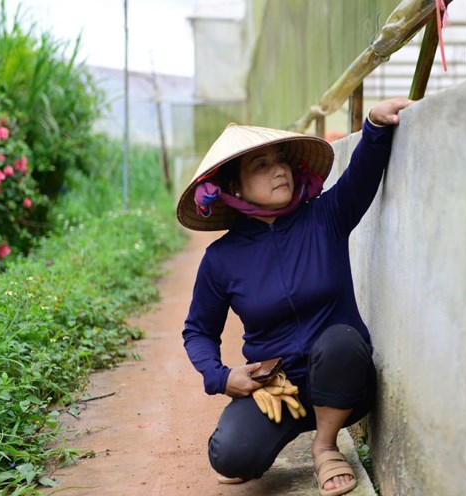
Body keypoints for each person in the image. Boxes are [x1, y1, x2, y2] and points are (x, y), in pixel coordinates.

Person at [177, 97, 413, 496]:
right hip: (279, 389)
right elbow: (197, 331)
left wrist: (374, 124)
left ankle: (324, 444)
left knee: (341, 340)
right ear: (234, 187)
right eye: (262, 165)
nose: (279, 170)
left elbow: (362, 174)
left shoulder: (326, 217)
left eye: (281, 160)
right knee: (230, 455)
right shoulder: (221, 260)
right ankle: (274, 436)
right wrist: (222, 376)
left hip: (343, 381)